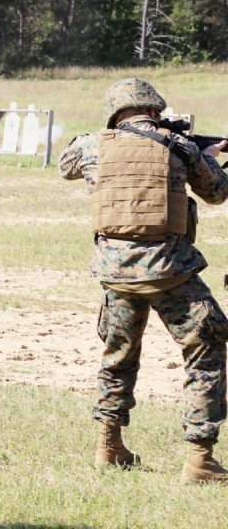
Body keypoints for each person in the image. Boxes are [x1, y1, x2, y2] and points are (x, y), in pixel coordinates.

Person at [60, 78, 228, 484]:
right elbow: (218, 193)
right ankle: (200, 459)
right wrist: (204, 157)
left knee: (118, 356)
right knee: (206, 350)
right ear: (154, 110)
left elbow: (67, 167)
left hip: (114, 272)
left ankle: (109, 445)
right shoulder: (178, 145)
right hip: (170, 269)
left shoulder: (90, 145)